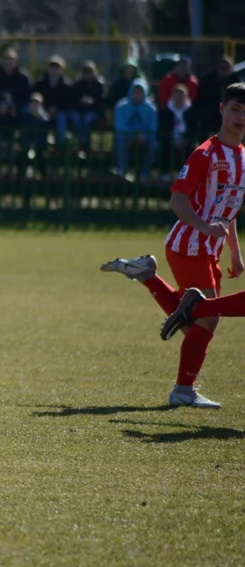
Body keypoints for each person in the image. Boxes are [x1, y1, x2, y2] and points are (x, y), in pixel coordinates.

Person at [102, 83, 245, 409]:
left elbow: (231, 208)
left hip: (210, 250)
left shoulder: (242, 156)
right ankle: (183, 389)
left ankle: (147, 274)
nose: (241, 117)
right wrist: (205, 227)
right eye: (236, 109)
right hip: (188, 245)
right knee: (206, 320)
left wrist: (235, 251)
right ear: (222, 109)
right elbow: (177, 200)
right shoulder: (205, 154)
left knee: (197, 323)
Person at [113, 80, 158, 179]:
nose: (137, 95)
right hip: (126, 137)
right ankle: (122, 171)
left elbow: (152, 128)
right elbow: (119, 126)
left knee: (153, 143)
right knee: (120, 139)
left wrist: (144, 137)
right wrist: (133, 136)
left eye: (140, 92)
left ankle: (144, 174)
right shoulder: (121, 106)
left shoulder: (151, 108)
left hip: (144, 139)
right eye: (135, 92)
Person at [194, 55, 240, 137]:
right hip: (211, 117)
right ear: (217, 68)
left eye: (227, 68)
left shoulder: (236, 81)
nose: (224, 70)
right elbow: (201, 100)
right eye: (222, 68)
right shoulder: (207, 81)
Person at [69, 61, 105, 151]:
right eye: (85, 73)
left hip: (93, 111)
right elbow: (72, 99)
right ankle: (77, 143)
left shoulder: (99, 85)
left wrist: (92, 101)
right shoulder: (77, 84)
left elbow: (101, 101)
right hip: (78, 110)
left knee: (87, 119)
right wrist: (80, 100)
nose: (88, 75)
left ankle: (84, 144)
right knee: (76, 118)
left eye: (90, 72)